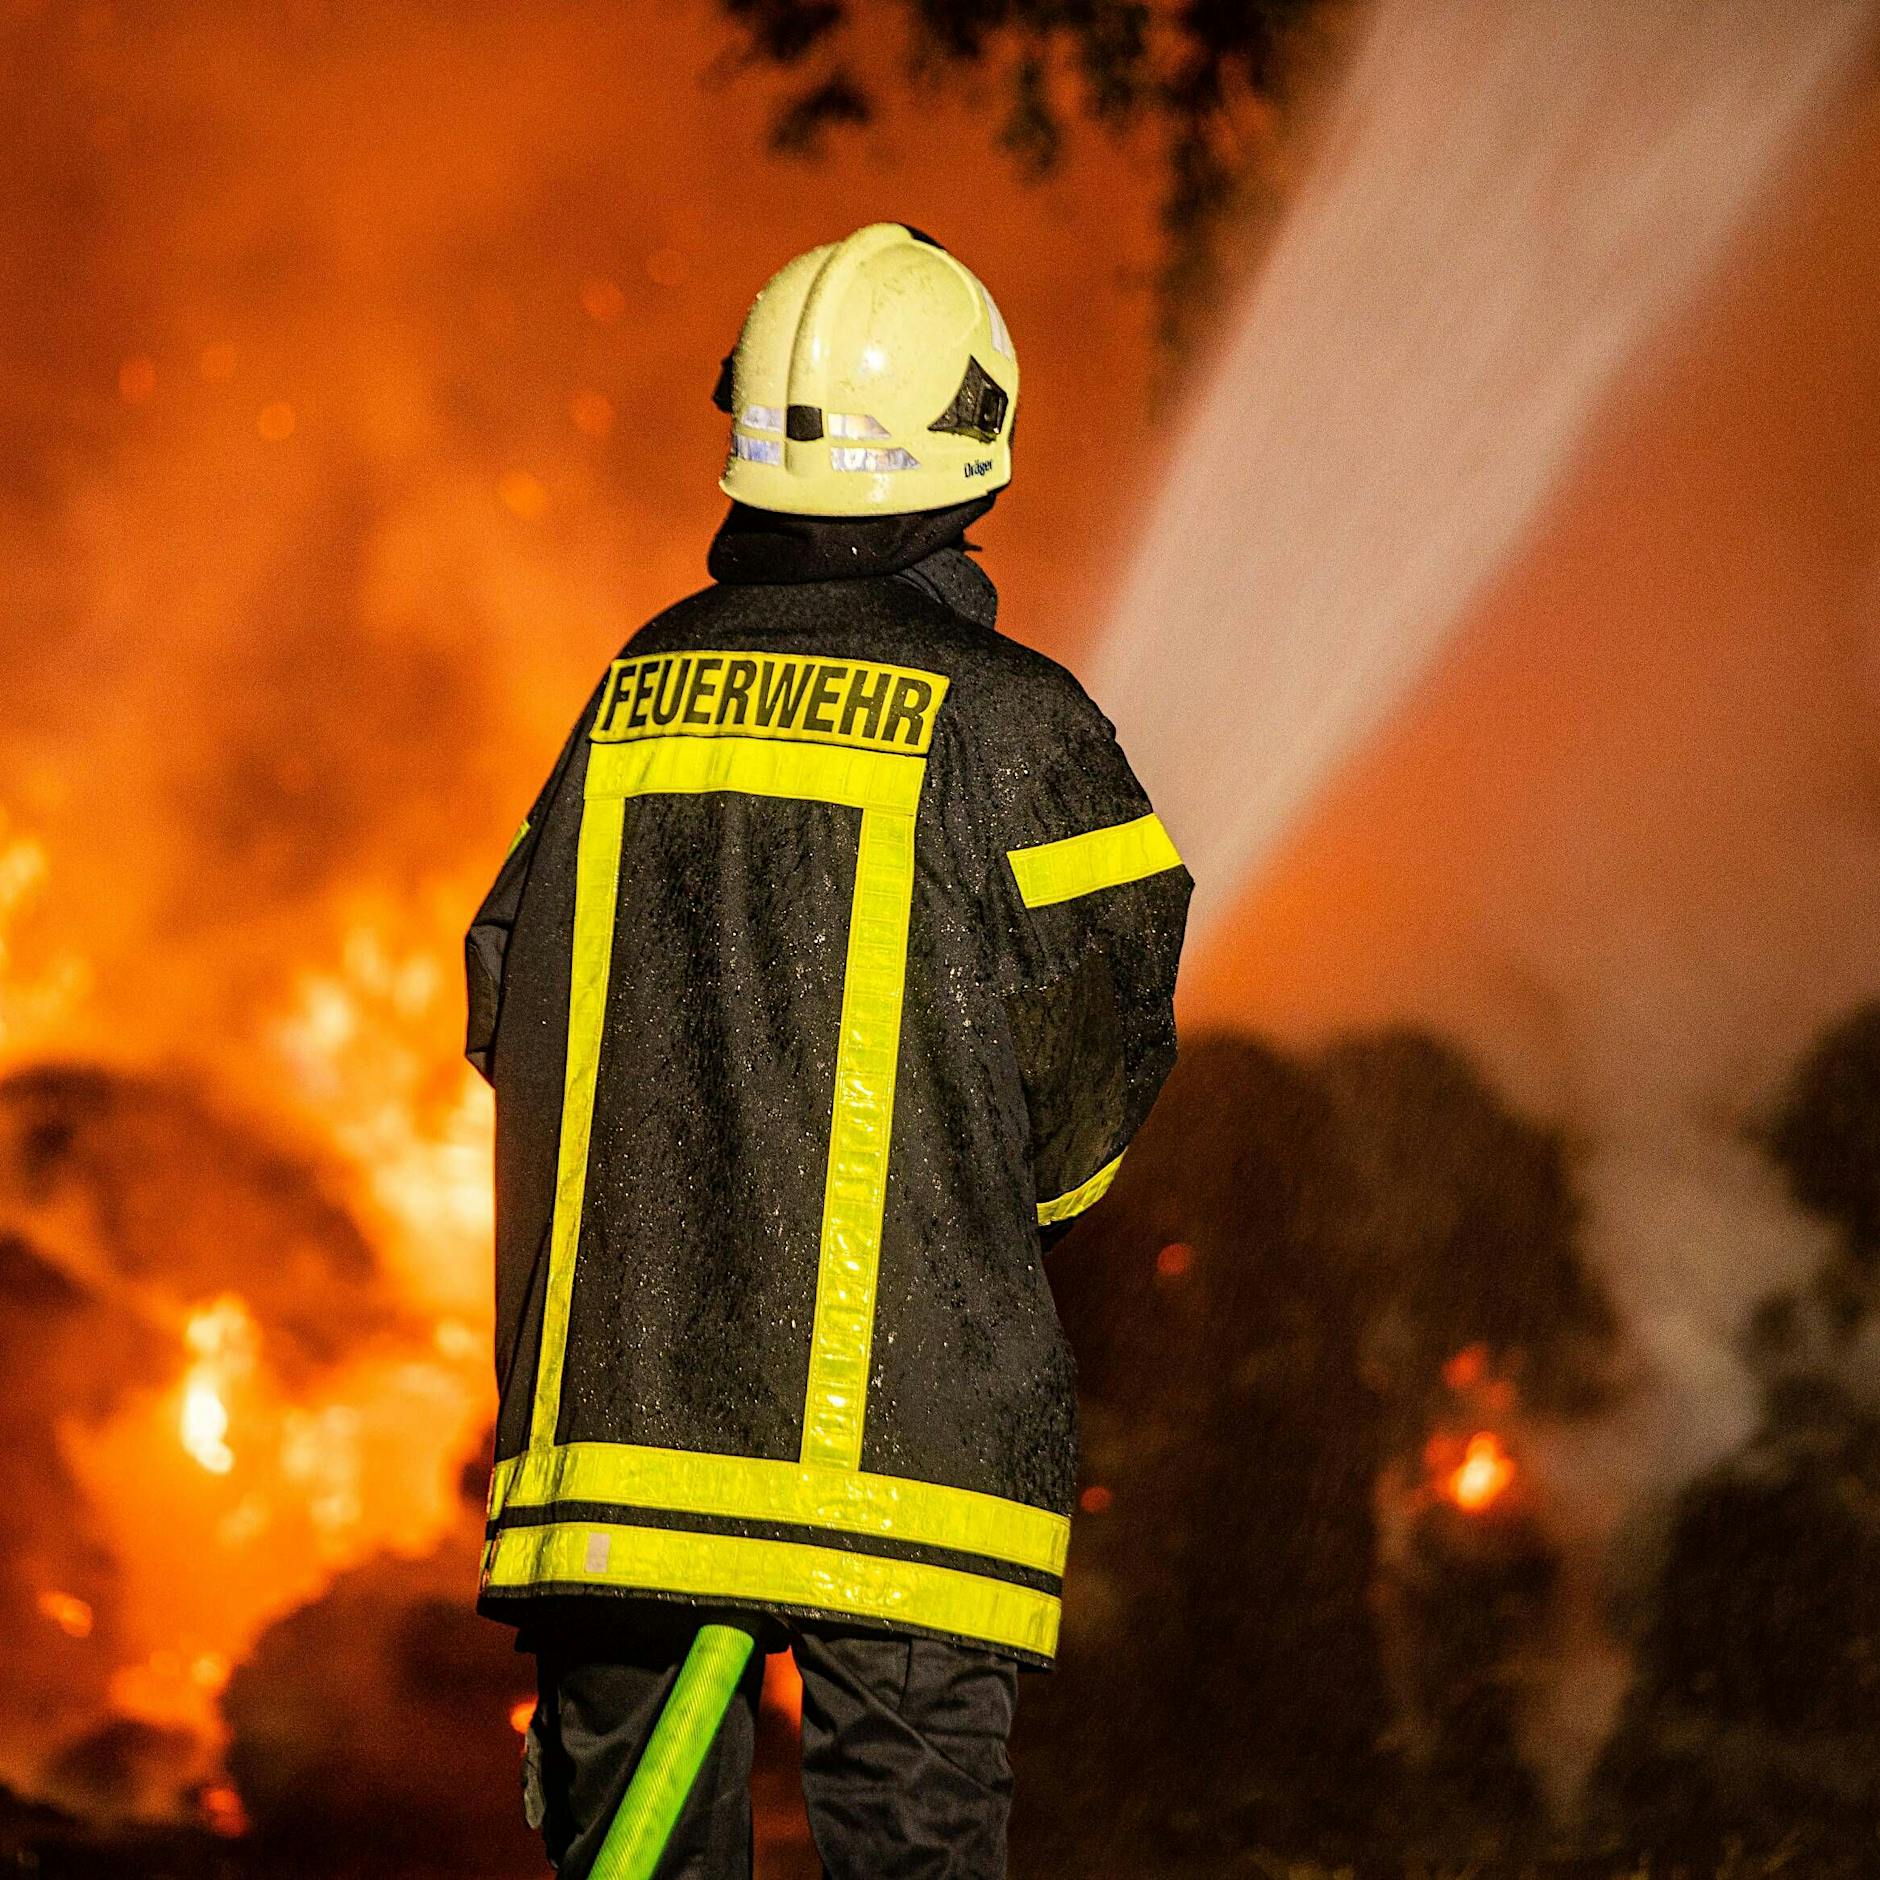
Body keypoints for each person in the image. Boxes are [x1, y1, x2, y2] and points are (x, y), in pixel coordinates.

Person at [465, 221, 1191, 1879]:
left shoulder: (633, 690)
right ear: (976, 430)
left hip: (619, 1445)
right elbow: (1095, 1059)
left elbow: (509, 992)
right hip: (912, 1455)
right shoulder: (1017, 720)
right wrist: (960, 1225)